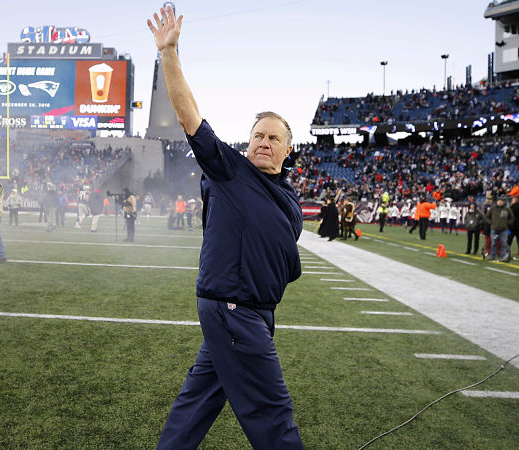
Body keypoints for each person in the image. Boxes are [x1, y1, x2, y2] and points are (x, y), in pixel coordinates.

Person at [149, 6, 303, 449]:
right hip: (235, 309)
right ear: (247, 141)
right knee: (273, 415)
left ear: (287, 150)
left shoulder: (289, 197)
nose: (264, 142)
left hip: (249, 311)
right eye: (258, 135)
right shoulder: (230, 171)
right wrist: (170, 54)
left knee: (196, 404)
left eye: (274, 138)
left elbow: (281, 252)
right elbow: (188, 116)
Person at [484, 196, 514, 262]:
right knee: (493, 243)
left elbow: (512, 218)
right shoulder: (493, 209)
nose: (500, 202)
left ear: (503, 202)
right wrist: (491, 223)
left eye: (501, 201)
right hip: (494, 229)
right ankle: (493, 256)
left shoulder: (507, 209)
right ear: (497, 202)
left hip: (503, 229)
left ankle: (503, 256)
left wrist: (507, 223)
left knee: (504, 243)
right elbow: (487, 217)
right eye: (499, 201)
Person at [507, 190, 519, 256]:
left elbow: (509, 217)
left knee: (509, 239)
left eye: (513, 199)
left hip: (512, 226)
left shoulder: (512, 208)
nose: (512, 200)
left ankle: (506, 250)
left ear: (515, 200)